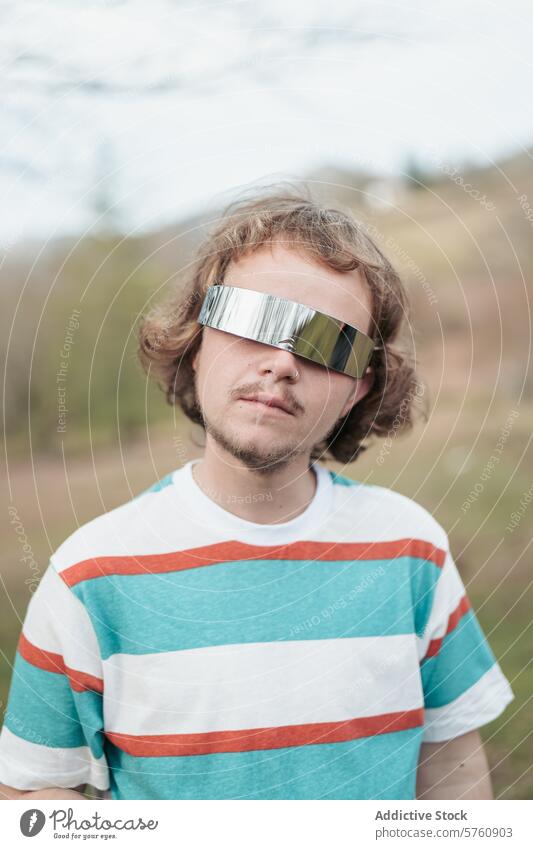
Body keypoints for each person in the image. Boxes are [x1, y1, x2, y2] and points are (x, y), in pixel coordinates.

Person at [0, 191, 514, 801]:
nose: (282, 362)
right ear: (195, 345)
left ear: (359, 388)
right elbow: (29, 797)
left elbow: (452, 768)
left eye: (328, 342)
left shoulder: (413, 552)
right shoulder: (88, 575)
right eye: (253, 320)